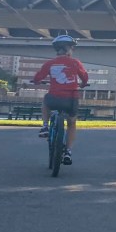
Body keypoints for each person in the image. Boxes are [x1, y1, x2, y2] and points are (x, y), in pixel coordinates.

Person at [31, 34, 89, 165]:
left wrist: (36, 81)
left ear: (57, 50)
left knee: (45, 101)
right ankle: (68, 151)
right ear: (68, 49)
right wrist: (83, 84)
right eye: (72, 49)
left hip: (54, 98)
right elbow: (85, 77)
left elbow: (38, 77)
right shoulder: (75, 63)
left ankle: (45, 126)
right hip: (71, 99)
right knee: (71, 123)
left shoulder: (49, 63)